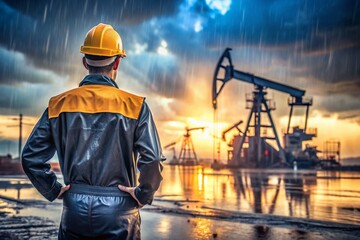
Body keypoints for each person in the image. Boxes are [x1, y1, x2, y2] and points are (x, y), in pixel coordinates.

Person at [22, 23, 165, 239]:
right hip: (119, 211)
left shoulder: (58, 105)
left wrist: (53, 189)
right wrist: (142, 194)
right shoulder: (136, 106)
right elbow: (152, 159)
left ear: (84, 62)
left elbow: (30, 157)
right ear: (117, 62)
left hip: (74, 208)